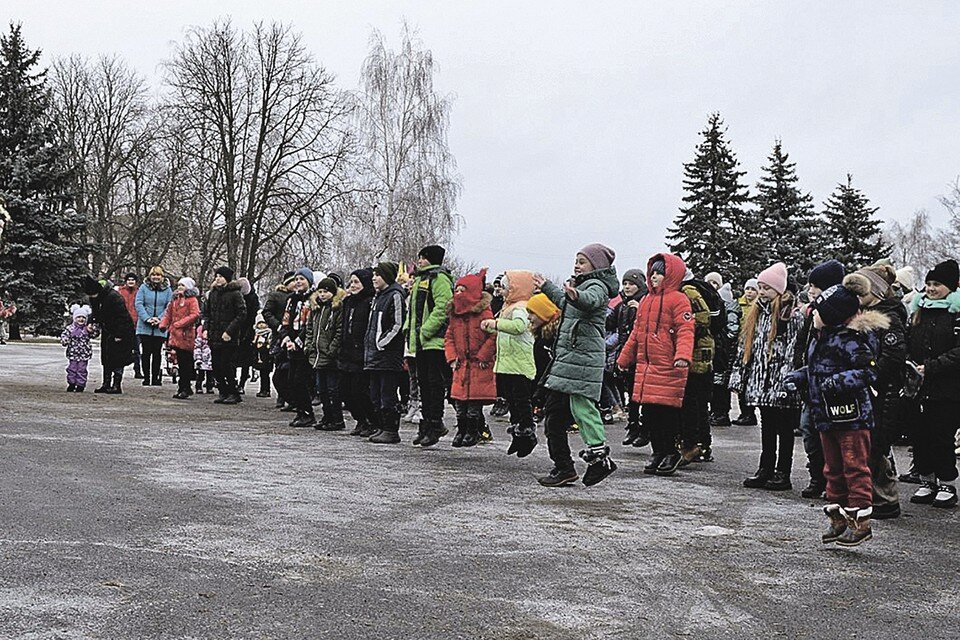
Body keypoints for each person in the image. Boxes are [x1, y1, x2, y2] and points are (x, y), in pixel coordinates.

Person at [786, 282, 885, 546]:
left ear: (833, 315)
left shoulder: (851, 340)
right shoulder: (821, 338)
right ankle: (838, 516)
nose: (812, 314)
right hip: (825, 414)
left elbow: (868, 371)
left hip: (851, 417)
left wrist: (837, 382)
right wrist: (799, 377)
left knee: (854, 466)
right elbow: (817, 369)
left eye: (817, 311)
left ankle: (861, 521)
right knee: (832, 467)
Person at [534, 243, 620, 487]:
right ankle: (564, 468)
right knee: (553, 417)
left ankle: (599, 458)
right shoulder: (580, 285)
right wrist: (548, 287)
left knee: (583, 409)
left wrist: (577, 296)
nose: (577, 265)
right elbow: (566, 302)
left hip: (582, 363)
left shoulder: (597, 286)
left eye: (582, 261)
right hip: (568, 362)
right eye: (576, 261)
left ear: (596, 266)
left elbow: (590, 301)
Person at [617, 254, 695, 475]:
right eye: (652, 273)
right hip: (647, 367)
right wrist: (624, 358)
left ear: (670, 276)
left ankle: (670, 451)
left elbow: (686, 330)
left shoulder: (679, 300)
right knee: (650, 414)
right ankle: (658, 451)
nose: (654, 277)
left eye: (660, 273)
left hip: (669, 367)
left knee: (666, 414)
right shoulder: (646, 301)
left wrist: (682, 355)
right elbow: (636, 333)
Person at [730, 262, 804, 491]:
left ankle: (783, 471)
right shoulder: (757, 313)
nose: (761, 292)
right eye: (760, 287)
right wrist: (739, 376)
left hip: (780, 383)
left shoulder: (790, 315)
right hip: (760, 381)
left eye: (767, 288)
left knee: (785, 428)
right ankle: (765, 467)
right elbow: (746, 347)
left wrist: (786, 381)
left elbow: (793, 351)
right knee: (767, 426)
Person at [844, 265, 907, 519]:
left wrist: (871, 375)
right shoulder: (864, 313)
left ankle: (886, 497)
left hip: (884, 390)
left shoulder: (889, 317)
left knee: (878, 443)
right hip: (870, 387)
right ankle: (871, 494)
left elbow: (894, 355)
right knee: (868, 441)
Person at [905, 259, 960, 508]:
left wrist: (932, 366)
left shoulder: (955, 315)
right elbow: (908, 342)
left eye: (937, 284)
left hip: (946, 388)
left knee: (941, 437)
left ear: (950, 286)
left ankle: (947, 482)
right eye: (928, 284)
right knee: (920, 436)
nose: (931, 289)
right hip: (918, 387)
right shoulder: (919, 312)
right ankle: (926, 479)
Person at [794, 259, 845, 499]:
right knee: (809, 430)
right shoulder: (812, 314)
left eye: (815, 286)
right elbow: (802, 345)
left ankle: (833, 481)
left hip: (830, 386)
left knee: (830, 435)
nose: (810, 290)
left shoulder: (836, 314)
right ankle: (817, 476)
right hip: (811, 383)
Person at [482, 270, 539, 456]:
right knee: (512, 400)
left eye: (506, 287)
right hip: (507, 362)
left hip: (519, 363)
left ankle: (527, 434)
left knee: (521, 400)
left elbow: (519, 327)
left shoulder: (520, 308)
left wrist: (496, 324)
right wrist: (493, 328)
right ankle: (517, 434)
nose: (502, 291)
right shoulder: (508, 307)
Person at [404, 245, 454, 448]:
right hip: (420, 341)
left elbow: (443, 308)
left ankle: (435, 422)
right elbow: (414, 310)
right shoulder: (420, 279)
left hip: (434, 341)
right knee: (423, 382)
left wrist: (425, 330)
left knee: (434, 383)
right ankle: (426, 424)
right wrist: (408, 329)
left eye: (423, 258)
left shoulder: (439, 278)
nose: (420, 261)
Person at [445, 268, 497, 447]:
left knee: (474, 404)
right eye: (457, 290)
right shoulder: (455, 315)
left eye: (463, 290)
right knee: (459, 403)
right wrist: (452, 357)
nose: (459, 294)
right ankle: (461, 430)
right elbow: (449, 337)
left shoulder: (484, 313)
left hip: (478, 364)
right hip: (461, 364)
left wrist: (483, 356)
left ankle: (472, 431)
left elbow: (492, 336)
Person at [364, 262, 407, 444]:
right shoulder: (378, 296)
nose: (374, 278)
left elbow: (397, 324)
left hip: (388, 356)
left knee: (387, 394)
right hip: (374, 356)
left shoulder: (395, 295)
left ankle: (391, 429)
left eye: (378, 275)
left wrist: (381, 343)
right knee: (375, 394)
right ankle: (381, 426)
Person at [678, 269, 717, 465]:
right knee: (697, 402)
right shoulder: (690, 289)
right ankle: (701, 444)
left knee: (693, 401)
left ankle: (695, 444)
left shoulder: (689, 291)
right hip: (698, 350)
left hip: (697, 352)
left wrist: (683, 328)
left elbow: (703, 318)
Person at [608, 269, 648, 447]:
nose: (627, 287)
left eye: (631, 283)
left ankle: (645, 428)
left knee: (642, 395)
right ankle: (633, 426)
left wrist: (640, 310)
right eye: (625, 283)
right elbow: (609, 323)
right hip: (627, 355)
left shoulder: (644, 302)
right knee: (631, 393)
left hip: (643, 356)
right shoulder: (622, 306)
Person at [340, 268, 377, 437]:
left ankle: (371, 420)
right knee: (345, 391)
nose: (353, 285)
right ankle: (360, 420)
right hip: (346, 352)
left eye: (357, 282)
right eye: (351, 282)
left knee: (359, 390)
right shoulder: (348, 302)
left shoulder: (369, 302)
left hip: (361, 353)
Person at [276, 268, 316, 426]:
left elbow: (309, 325)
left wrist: (298, 342)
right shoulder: (291, 299)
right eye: (296, 279)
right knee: (291, 380)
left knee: (301, 380)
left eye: (302, 279)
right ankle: (300, 411)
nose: (298, 282)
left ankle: (307, 413)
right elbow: (285, 321)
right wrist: (286, 338)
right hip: (290, 345)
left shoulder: (312, 299)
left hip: (304, 346)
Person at [305, 277, 346, 431]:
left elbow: (339, 331)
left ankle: (337, 418)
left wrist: (331, 349)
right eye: (320, 292)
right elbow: (310, 328)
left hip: (330, 356)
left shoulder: (336, 309)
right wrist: (309, 346)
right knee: (321, 389)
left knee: (332, 389)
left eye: (326, 292)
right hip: (317, 354)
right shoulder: (316, 309)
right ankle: (327, 416)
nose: (322, 295)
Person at [84, 276, 135, 394]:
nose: (92, 297)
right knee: (106, 357)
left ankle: (117, 384)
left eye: (93, 295)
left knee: (118, 358)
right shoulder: (96, 298)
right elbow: (96, 312)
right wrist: (91, 322)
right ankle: (106, 383)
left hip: (121, 330)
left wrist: (119, 334)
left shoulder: (114, 297)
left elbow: (123, 318)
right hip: (108, 330)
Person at [205, 266, 246, 405]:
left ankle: (233, 392)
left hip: (228, 336)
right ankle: (222, 390)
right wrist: (206, 328)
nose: (218, 279)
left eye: (221, 276)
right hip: (214, 335)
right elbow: (207, 313)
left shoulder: (235, 294)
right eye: (216, 276)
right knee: (216, 365)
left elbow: (241, 314)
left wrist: (229, 331)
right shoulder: (213, 294)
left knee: (226, 365)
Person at [159, 277, 201, 399]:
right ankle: (183, 387)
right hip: (175, 335)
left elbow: (195, 314)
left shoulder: (192, 300)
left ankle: (185, 386)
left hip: (185, 335)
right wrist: (163, 324)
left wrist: (179, 324)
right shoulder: (175, 299)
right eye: (179, 285)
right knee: (179, 362)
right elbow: (168, 313)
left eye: (183, 285)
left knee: (185, 362)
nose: (180, 287)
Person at [710, 282, 742, 427]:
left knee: (721, 386)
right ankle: (718, 412)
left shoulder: (730, 311)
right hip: (723, 352)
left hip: (725, 353)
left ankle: (721, 413)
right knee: (718, 385)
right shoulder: (728, 310)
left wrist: (723, 339)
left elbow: (732, 331)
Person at [135, 266, 173, 386]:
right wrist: (147, 318)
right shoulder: (143, 288)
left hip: (160, 327)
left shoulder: (168, 290)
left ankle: (155, 377)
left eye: (158, 275)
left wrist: (160, 319)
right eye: (153, 275)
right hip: (145, 326)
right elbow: (139, 303)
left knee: (157, 353)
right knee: (146, 352)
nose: (156, 277)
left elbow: (169, 306)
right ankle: (146, 377)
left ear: (162, 277)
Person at [261, 271, 295, 404]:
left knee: (291, 368)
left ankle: (291, 397)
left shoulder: (298, 297)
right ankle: (282, 396)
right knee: (280, 365)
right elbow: (267, 312)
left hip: (293, 334)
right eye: (293, 281)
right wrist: (277, 326)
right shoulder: (276, 296)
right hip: (279, 335)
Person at [732, 278, 760, 426]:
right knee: (740, 381)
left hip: (753, 345)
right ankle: (744, 412)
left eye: (753, 289)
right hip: (741, 346)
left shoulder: (759, 306)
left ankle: (750, 413)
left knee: (750, 381)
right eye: (747, 289)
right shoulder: (738, 305)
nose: (749, 292)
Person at [60, 303, 100, 392]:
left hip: (84, 353)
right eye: (78, 317)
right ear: (74, 318)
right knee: (72, 368)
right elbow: (64, 335)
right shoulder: (70, 328)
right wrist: (65, 340)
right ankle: (71, 383)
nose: (81, 319)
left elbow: (95, 334)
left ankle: (80, 385)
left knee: (82, 369)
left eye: (83, 317)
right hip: (73, 353)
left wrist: (92, 330)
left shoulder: (86, 329)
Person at [236, 277, 260, 395]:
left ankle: (241, 383)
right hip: (237, 329)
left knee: (245, 360)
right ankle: (236, 382)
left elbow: (253, 315)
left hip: (248, 330)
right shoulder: (236, 296)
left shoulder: (252, 299)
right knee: (234, 359)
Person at [116, 273, 142, 378]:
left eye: (133, 280)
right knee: (121, 349)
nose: (131, 281)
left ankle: (137, 370)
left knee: (136, 349)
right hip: (123, 324)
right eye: (129, 280)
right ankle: (119, 372)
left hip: (136, 324)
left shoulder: (139, 292)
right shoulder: (120, 291)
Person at [253, 314, 273, 397]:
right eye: (259, 323)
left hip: (266, 356)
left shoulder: (269, 333)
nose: (261, 325)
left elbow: (270, 343)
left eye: (263, 323)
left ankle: (266, 390)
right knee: (262, 374)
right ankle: (262, 389)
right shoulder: (257, 333)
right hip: (259, 356)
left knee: (265, 374)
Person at [194, 321, 215, 394]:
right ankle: (198, 386)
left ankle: (210, 386)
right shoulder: (200, 338)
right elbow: (197, 347)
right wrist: (198, 358)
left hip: (210, 358)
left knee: (210, 374)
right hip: (202, 358)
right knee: (200, 374)